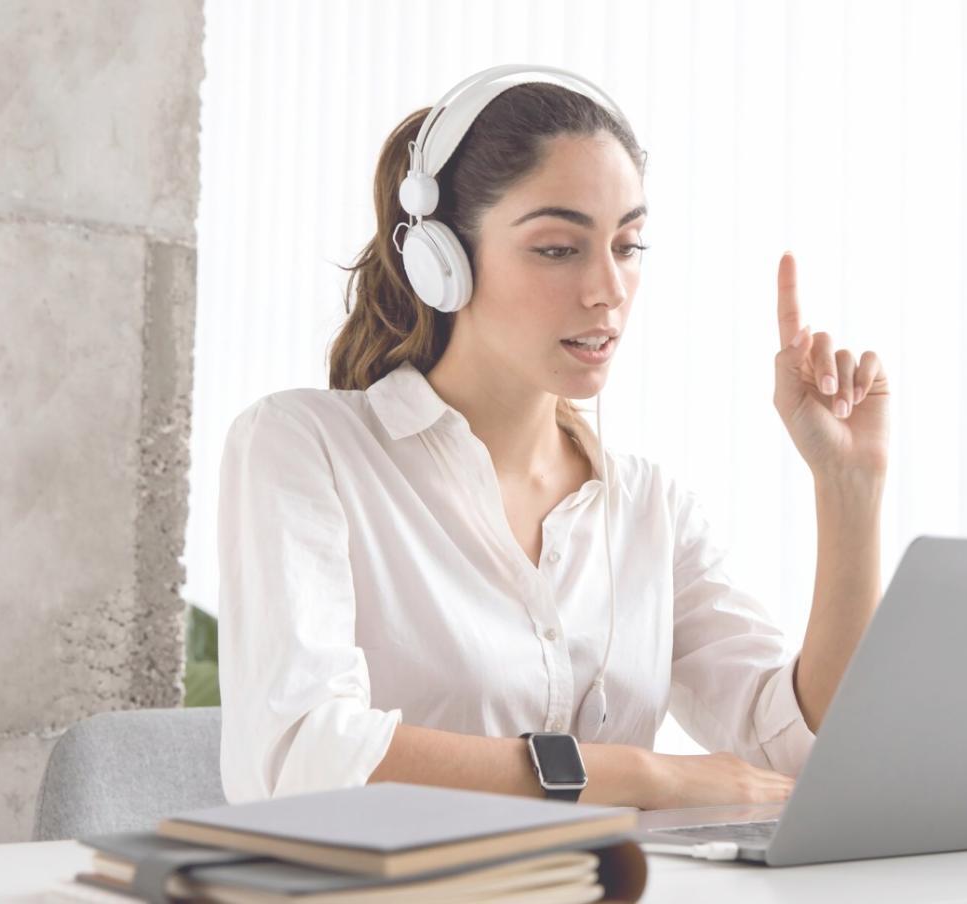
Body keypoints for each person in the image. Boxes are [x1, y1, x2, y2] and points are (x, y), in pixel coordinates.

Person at [216, 74, 889, 811]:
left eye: (628, 245)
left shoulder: (645, 507)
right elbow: (302, 756)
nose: (609, 289)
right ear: (440, 261)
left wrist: (847, 488)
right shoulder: (305, 448)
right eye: (559, 248)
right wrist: (642, 776)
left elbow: (801, 746)